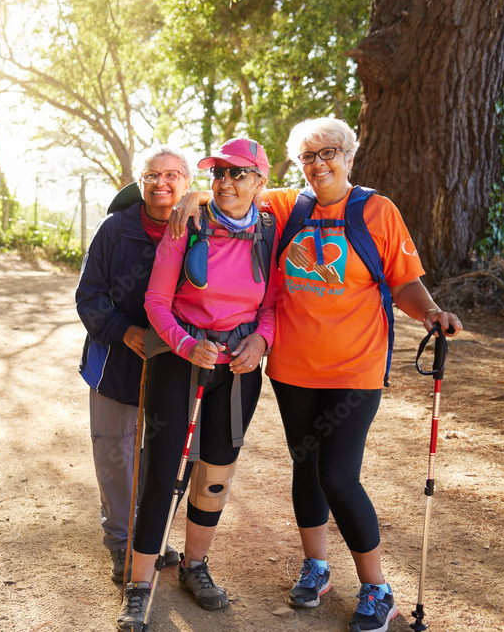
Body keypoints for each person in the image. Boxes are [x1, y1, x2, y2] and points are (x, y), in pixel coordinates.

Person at [169, 119, 463, 632]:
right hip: (292, 368)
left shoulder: (377, 210)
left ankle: (377, 588)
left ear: (350, 155)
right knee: (305, 468)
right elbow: (234, 194)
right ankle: (317, 567)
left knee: (338, 475)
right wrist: (193, 196)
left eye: (329, 152)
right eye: (308, 157)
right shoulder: (286, 208)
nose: (318, 163)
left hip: (356, 368)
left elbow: (405, 283)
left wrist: (431, 312)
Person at [117, 138, 280, 631]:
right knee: (163, 467)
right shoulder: (187, 223)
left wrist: (262, 342)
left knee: (215, 470)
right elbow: (155, 302)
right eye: (218, 173)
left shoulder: (270, 230)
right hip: (178, 356)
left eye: (237, 174)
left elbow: (271, 305)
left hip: (237, 364)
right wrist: (187, 345)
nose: (225, 182)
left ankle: (194, 566)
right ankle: (139, 585)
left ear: (259, 182)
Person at [75, 145, 190, 582]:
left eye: (173, 175)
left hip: (175, 363)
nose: (162, 183)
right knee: (116, 452)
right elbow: (88, 296)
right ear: (140, 180)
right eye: (153, 174)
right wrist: (125, 331)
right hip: (115, 364)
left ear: (186, 183)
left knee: (164, 455)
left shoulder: (198, 229)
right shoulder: (113, 230)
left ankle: (150, 537)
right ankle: (122, 545)